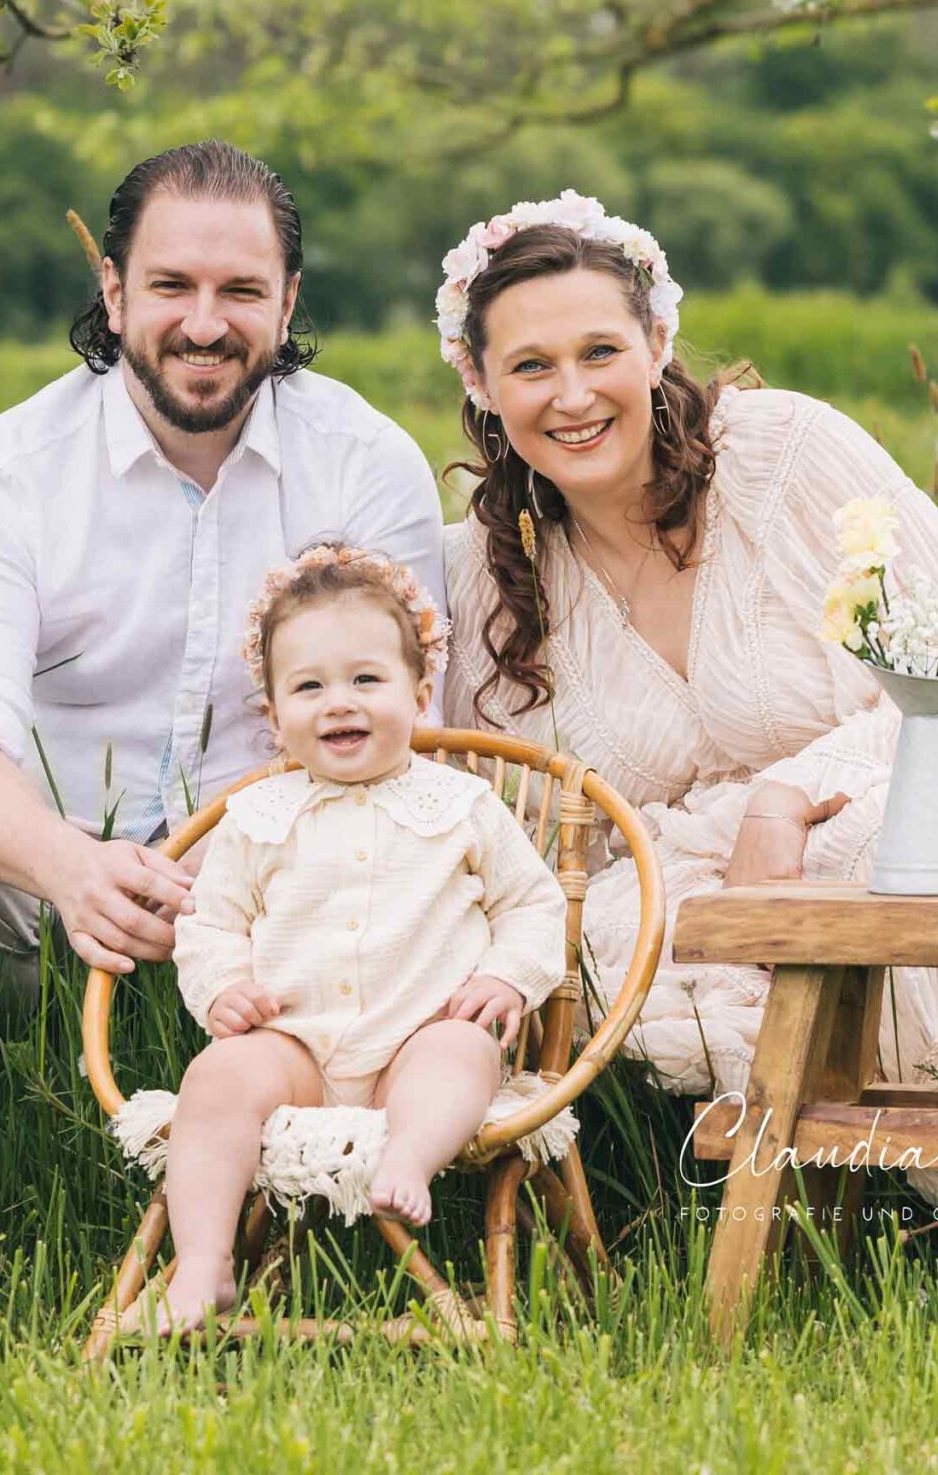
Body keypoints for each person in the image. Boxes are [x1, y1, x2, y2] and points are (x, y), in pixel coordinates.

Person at [433, 192, 938, 1203]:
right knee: (622, 932)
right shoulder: (482, 572)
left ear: (657, 342)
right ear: (478, 380)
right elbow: (509, 821)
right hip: (686, 878)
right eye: (530, 366)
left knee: (852, 858)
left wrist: (788, 795)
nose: (572, 396)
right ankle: (794, 1197)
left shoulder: (779, 455)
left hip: (921, 780)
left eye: (599, 351)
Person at [0, 142, 445, 1004]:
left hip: (297, 858)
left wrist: (250, 844)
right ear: (114, 290)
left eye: (240, 291)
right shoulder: (1, 475)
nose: (205, 324)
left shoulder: (366, 461)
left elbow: (416, 719)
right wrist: (72, 868)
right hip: (46, 863)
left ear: (288, 301)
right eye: (172, 286)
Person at [158, 543, 566, 1333]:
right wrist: (223, 988)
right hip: (296, 1050)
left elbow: (534, 904)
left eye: (366, 680)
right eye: (309, 686)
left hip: (419, 1032)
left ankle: (408, 1153)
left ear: (419, 695)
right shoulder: (258, 819)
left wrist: (510, 978)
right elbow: (210, 924)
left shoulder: (461, 804)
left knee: (462, 1051)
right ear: (275, 717)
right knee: (214, 1080)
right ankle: (204, 1262)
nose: (338, 702)